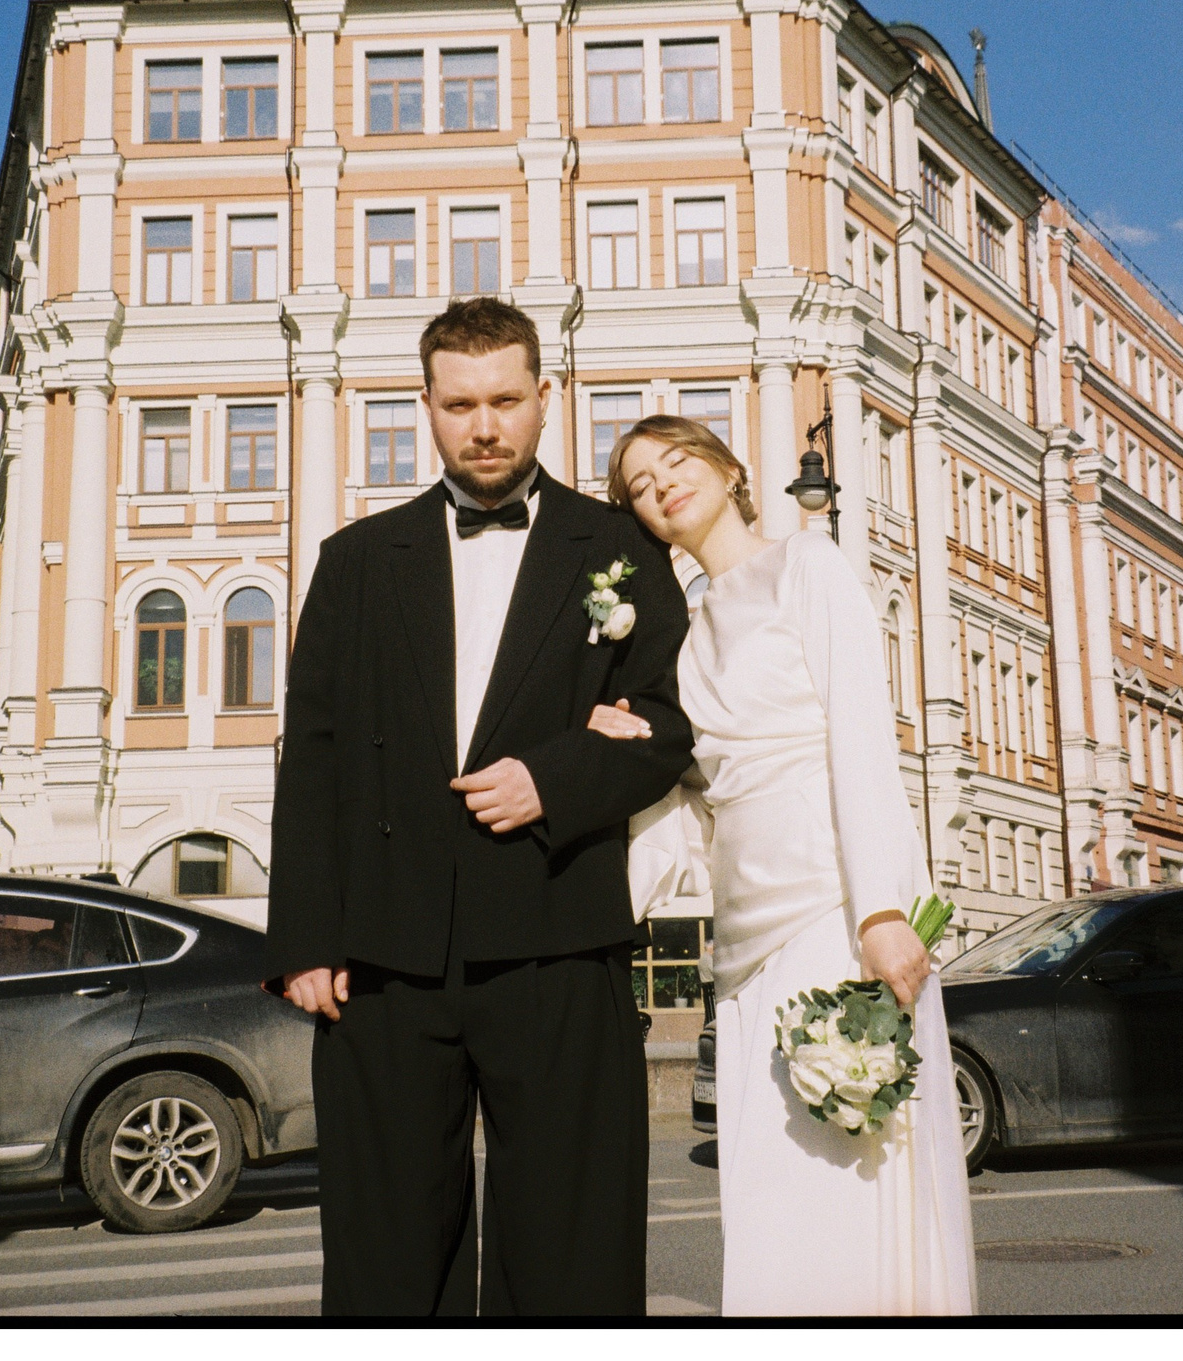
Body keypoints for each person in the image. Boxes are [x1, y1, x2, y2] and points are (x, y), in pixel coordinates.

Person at [263, 298, 697, 1317]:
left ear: (546, 400)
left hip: (556, 938)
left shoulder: (619, 549)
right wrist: (304, 940)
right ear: (425, 406)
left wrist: (554, 778)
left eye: (506, 399)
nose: (485, 425)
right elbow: (313, 760)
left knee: (571, 1252)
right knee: (385, 1255)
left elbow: (669, 730)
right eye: (460, 404)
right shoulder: (356, 560)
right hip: (380, 957)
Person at [597, 414, 976, 1317]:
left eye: (675, 461)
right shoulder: (681, 632)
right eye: (639, 487)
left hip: (831, 904)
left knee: (851, 1172)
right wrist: (636, 743)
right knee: (772, 1193)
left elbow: (858, 733)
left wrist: (880, 909)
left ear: (731, 469)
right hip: (745, 933)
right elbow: (697, 790)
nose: (661, 487)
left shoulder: (809, 562)